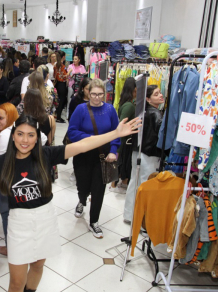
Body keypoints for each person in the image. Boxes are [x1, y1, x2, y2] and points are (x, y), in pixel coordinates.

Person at [0, 114, 141, 292]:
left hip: (46, 219)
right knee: (16, 281)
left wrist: (115, 133)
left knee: (37, 266)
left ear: (37, 138)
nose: (24, 140)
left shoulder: (46, 155)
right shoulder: (2, 162)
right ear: (13, 134)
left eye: (30, 135)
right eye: (20, 134)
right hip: (19, 224)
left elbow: (83, 145)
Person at [68, 78, 121, 238]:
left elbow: (116, 133)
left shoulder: (110, 110)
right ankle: (82, 201)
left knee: (99, 189)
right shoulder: (81, 109)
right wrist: (91, 138)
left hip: (102, 156)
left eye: (100, 94)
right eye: (93, 94)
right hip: (83, 153)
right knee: (83, 186)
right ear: (87, 93)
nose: (97, 98)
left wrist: (113, 150)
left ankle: (94, 221)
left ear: (105, 94)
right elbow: (72, 131)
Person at [123, 85, 164, 223]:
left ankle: (129, 215)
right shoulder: (156, 114)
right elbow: (160, 137)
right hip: (150, 154)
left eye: (160, 92)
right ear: (148, 98)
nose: (160, 95)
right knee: (145, 186)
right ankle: (141, 221)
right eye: (156, 94)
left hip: (138, 151)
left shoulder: (140, 111)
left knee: (134, 182)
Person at [0, 103, 20, 256]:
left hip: (7, 182)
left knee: (6, 215)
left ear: (10, 116)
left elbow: (2, 162)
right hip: (21, 178)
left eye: (1, 118)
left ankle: (11, 247)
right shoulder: (21, 128)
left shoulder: (4, 134)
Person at [112, 77, 136, 191]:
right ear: (134, 90)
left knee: (120, 161)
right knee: (119, 161)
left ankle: (119, 182)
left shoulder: (127, 103)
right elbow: (121, 124)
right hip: (124, 140)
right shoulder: (129, 106)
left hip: (124, 139)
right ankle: (114, 185)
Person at [54, 52, 69, 123]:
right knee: (62, 101)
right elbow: (65, 76)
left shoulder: (56, 65)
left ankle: (57, 115)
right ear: (63, 57)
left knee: (59, 100)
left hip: (57, 84)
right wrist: (70, 72)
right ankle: (58, 117)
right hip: (62, 84)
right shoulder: (62, 66)